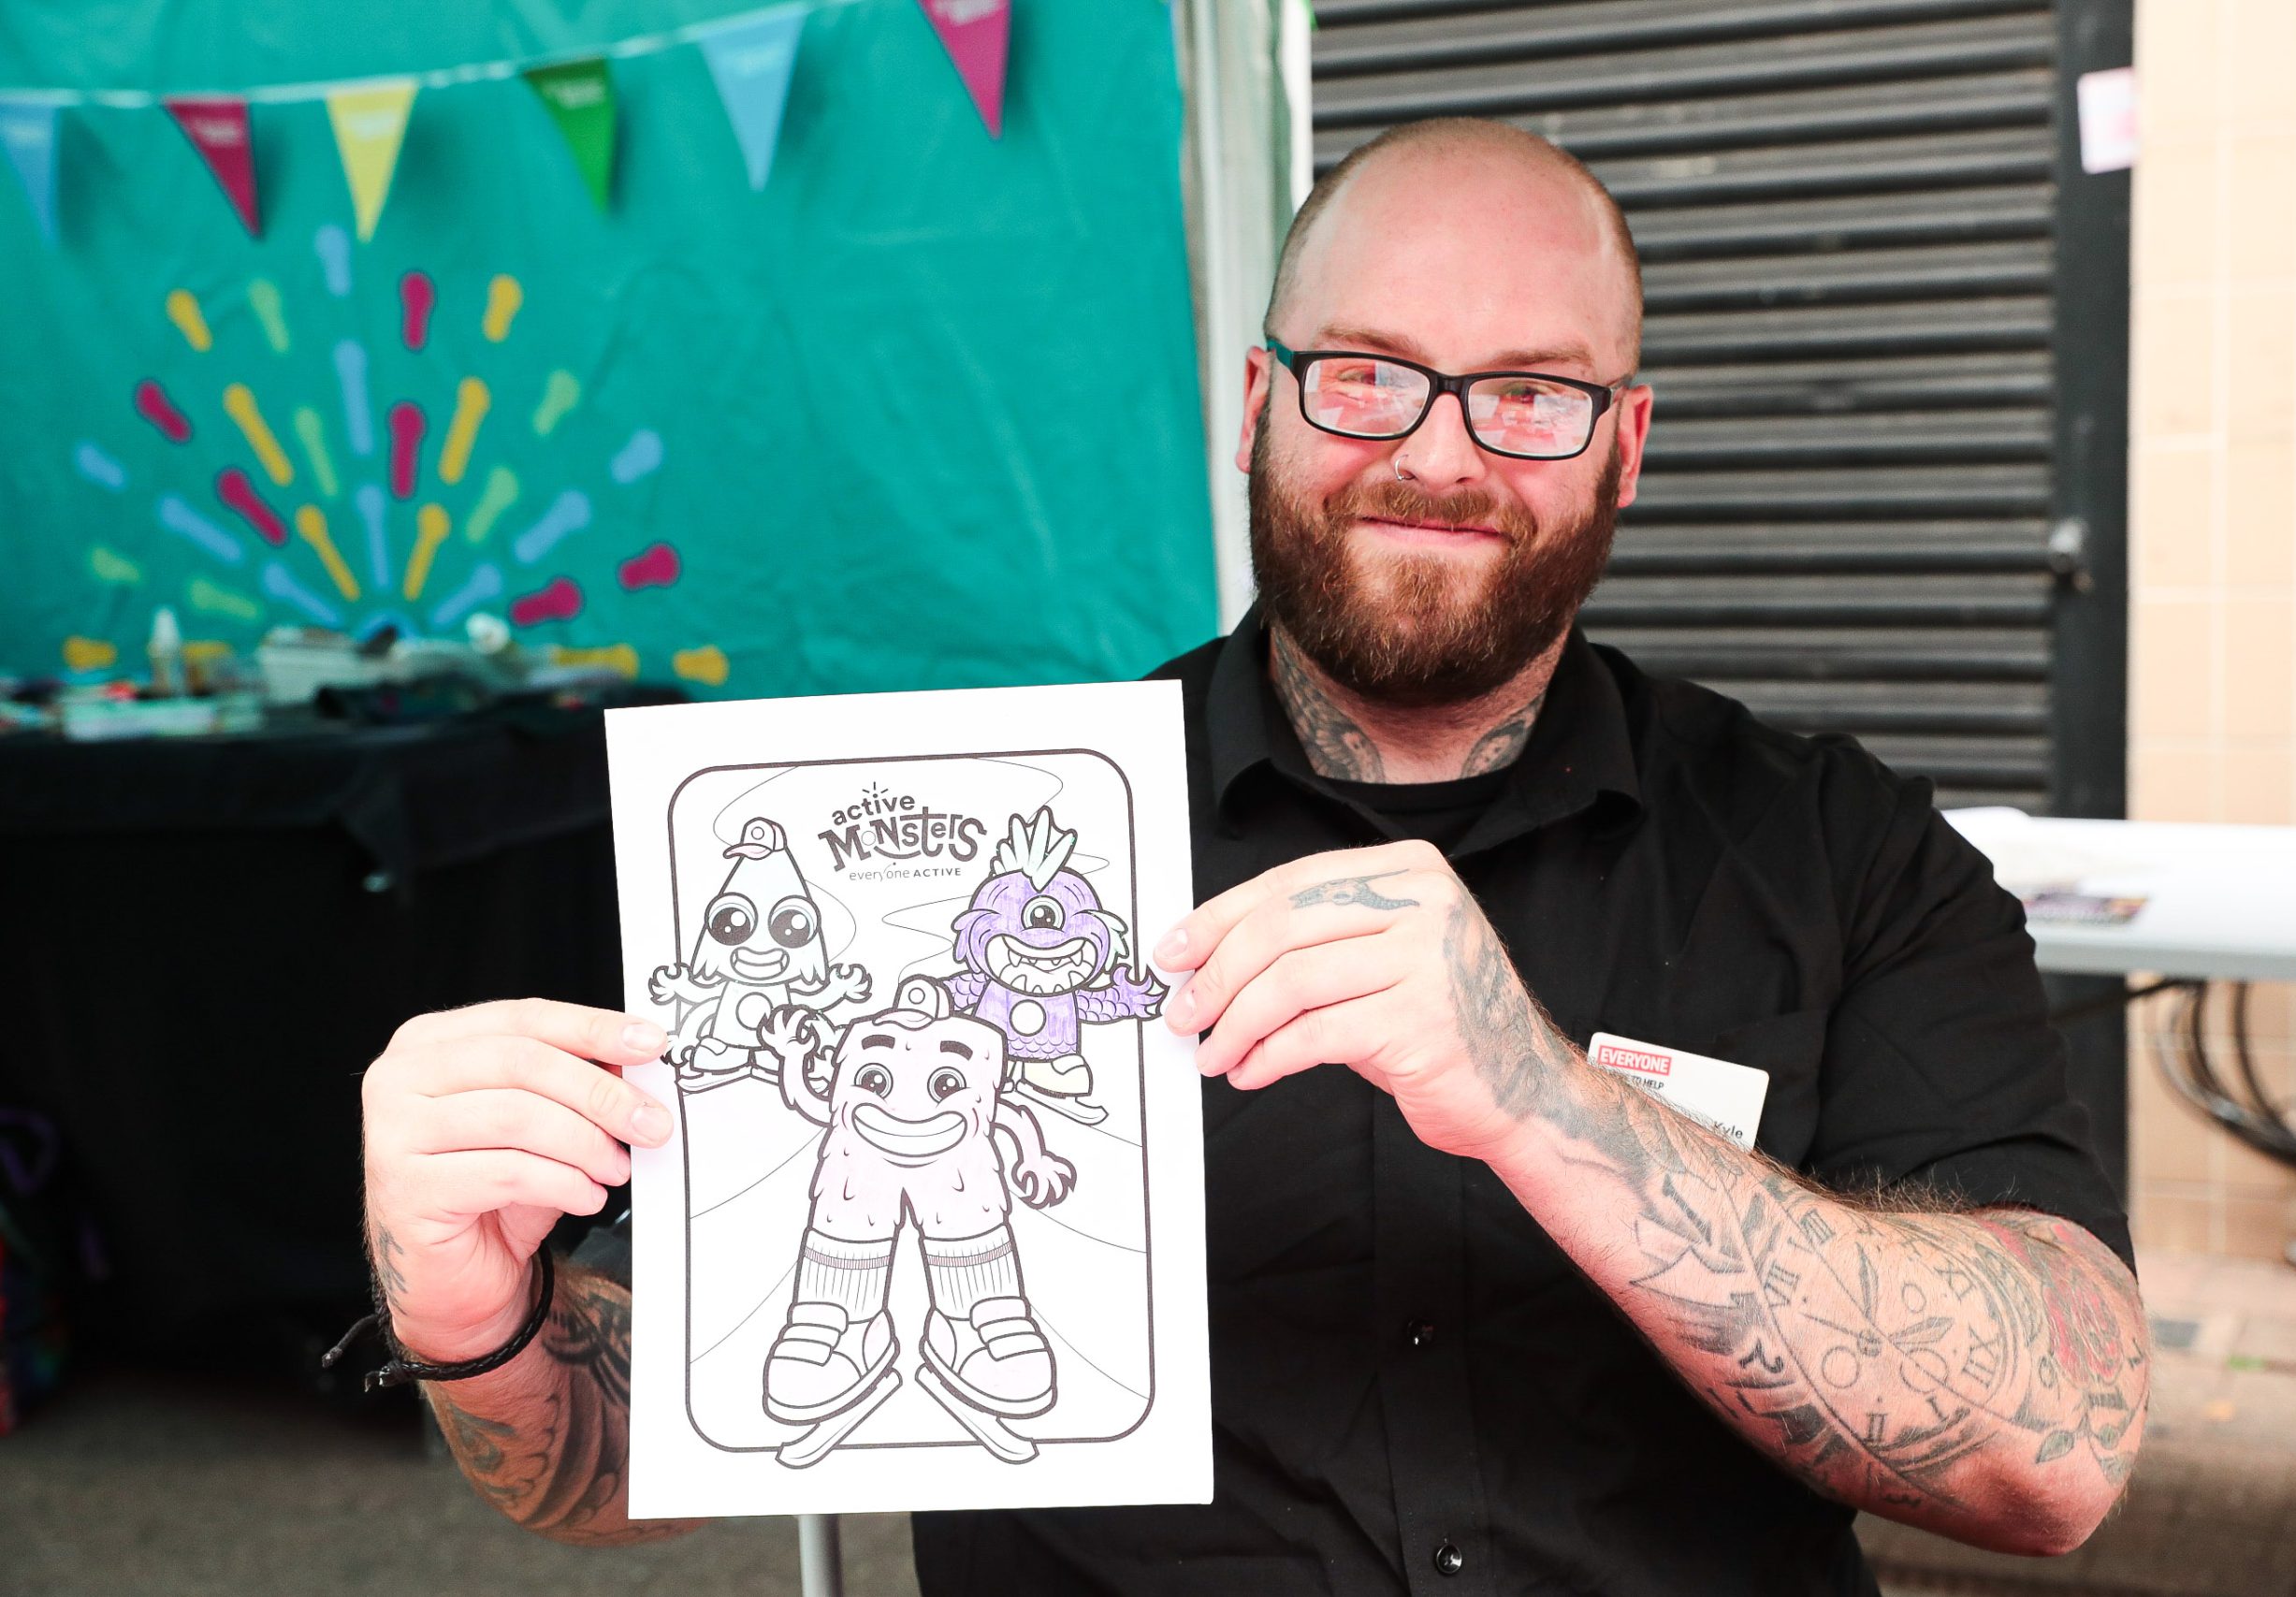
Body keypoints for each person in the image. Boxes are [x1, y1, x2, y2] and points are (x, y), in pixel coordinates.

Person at [359, 116, 2146, 1593]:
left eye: (1530, 394)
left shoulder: (1835, 845)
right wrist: (474, 1309)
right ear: (1255, 404)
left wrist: (1546, 1103)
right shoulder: (987, 843)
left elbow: (2052, 1462)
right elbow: (623, 1459)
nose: (1439, 457)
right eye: (1367, 375)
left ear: (1626, 448)